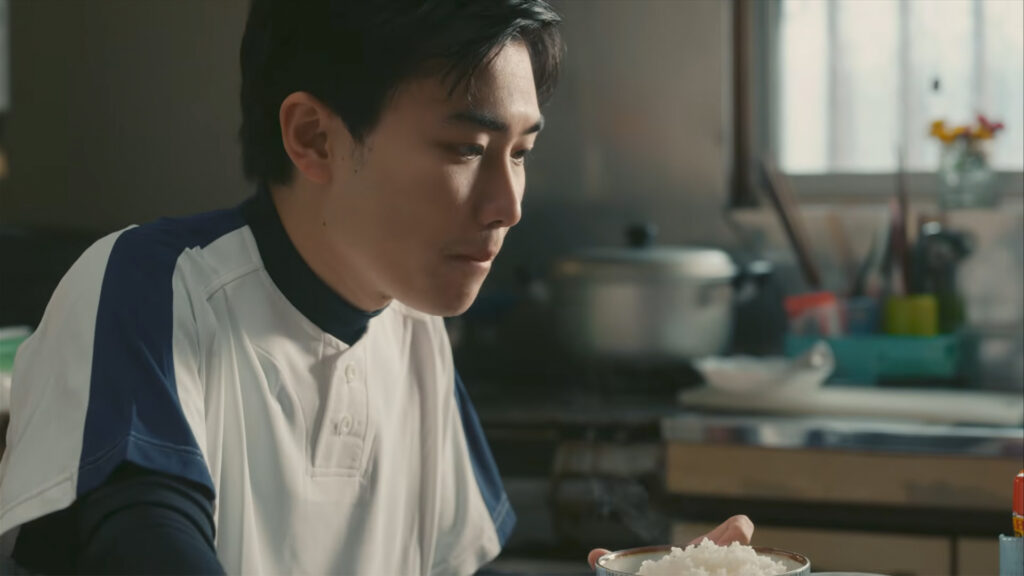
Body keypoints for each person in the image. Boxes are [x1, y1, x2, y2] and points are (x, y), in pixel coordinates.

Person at [0, 1, 752, 574]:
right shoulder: (153, 289)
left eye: (520, 152)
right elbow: (143, 545)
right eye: (466, 148)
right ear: (314, 137)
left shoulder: (415, 328)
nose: (508, 205)